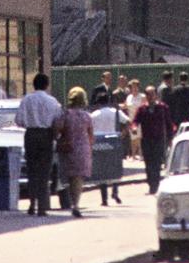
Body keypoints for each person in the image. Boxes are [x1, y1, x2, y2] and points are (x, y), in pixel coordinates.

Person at [15, 73, 61, 218]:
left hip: (31, 135)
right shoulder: (52, 101)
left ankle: (32, 203)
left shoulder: (26, 99)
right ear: (47, 85)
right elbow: (57, 121)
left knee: (32, 170)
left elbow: (19, 120)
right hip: (46, 135)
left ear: (33, 85)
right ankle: (42, 207)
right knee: (44, 172)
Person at [55, 88, 94, 218]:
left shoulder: (65, 114)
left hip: (68, 147)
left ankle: (69, 201)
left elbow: (57, 130)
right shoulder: (87, 116)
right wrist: (90, 147)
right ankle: (75, 204)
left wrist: (59, 138)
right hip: (83, 148)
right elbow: (91, 135)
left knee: (69, 177)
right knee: (78, 177)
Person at [133, 85, 174, 195]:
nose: (150, 96)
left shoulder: (162, 107)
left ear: (156, 95)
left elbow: (169, 124)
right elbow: (135, 121)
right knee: (148, 164)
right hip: (146, 140)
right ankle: (151, 183)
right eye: (148, 94)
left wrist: (170, 138)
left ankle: (155, 186)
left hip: (159, 140)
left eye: (152, 94)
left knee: (156, 163)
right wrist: (134, 128)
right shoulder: (142, 109)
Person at [89, 87, 126, 206]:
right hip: (113, 140)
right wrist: (122, 134)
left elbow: (89, 128)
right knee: (114, 167)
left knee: (101, 170)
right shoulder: (115, 112)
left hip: (99, 142)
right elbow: (127, 121)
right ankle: (115, 191)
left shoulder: (94, 115)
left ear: (98, 103)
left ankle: (104, 199)